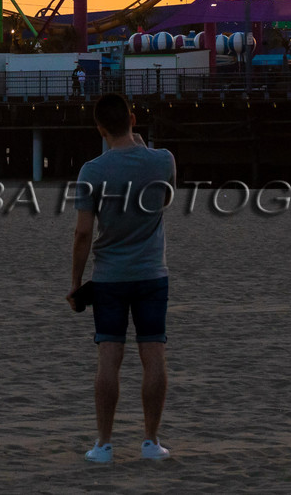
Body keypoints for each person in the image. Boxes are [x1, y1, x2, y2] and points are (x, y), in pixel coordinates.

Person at [68, 93, 176, 463]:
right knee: (154, 355)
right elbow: (164, 202)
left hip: (110, 275)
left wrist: (75, 283)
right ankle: (150, 440)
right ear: (132, 118)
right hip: (151, 273)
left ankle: (103, 444)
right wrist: (140, 144)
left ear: (100, 128)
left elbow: (83, 234)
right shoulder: (162, 161)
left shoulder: (92, 171)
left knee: (108, 359)